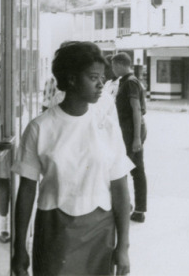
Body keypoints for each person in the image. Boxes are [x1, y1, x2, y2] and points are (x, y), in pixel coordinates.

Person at [12, 41, 134, 276]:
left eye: (102, 77)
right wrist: (19, 249)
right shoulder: (40, 128)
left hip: (101, 234)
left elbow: (120, 187)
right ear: (71, 79)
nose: (101, 84)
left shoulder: (106, 126)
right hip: (54, 232)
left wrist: (124, 247)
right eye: (93, 77)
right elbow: (26, 191)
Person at [111, 52, 148, 223]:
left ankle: (127, 207)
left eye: (113, 66)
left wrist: (136, 139)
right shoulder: (128, 82)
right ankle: (139, 210)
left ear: (119, 64)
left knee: (124, 169)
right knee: (137, 170)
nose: (112, 69)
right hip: (133, 131)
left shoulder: (130, 83)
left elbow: (136, 109)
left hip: (130, 131)